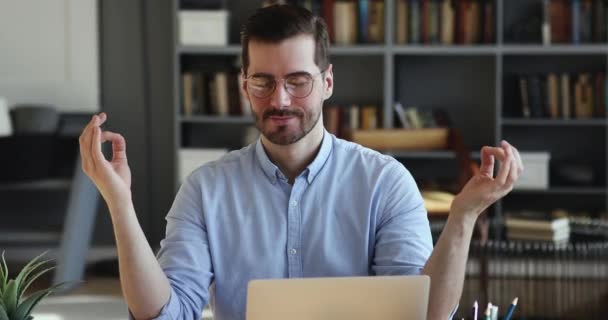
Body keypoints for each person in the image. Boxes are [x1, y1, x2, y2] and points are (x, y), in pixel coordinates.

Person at [78, 4, 523, 320]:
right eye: (263, 82)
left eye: (297, 81)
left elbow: (420, 315)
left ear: (327, 82)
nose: (280, 99)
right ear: (243, 86)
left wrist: (463, 216)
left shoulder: (386, 182)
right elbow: (166, 313)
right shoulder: (205, 188)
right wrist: (119, 204)